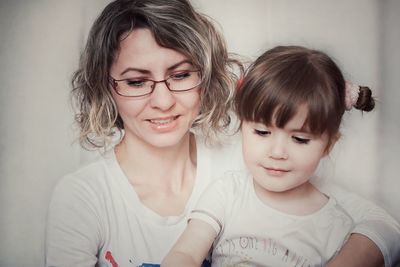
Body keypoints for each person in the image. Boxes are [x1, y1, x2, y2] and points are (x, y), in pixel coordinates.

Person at [45, 0, 400, 266]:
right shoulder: (84, 197)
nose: (163, 100)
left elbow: (381, 224)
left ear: (206, 74)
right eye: (137, 81)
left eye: (181, 74)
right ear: (105, 86)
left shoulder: (249, 159)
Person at [161, 45, 387, 266]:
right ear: (243, 126)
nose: (277, 153)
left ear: (329, 145)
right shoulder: (228, 193)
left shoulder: (338, 224)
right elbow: (186, 253)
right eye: (262, 132)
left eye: (299, 139)